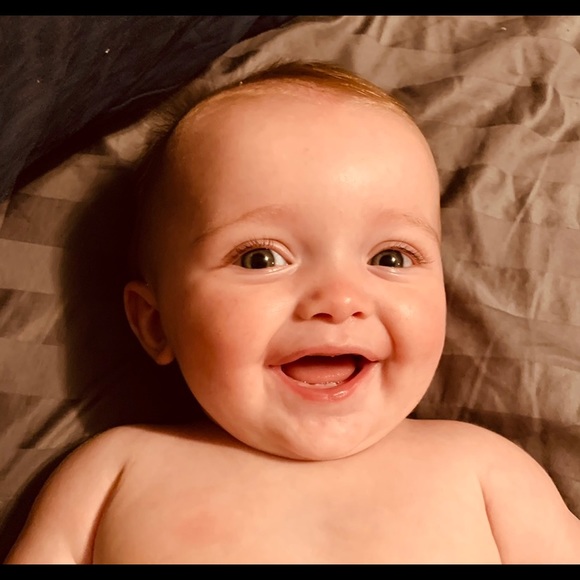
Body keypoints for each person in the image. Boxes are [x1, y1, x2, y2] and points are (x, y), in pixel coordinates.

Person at [5, 61, 580, 564]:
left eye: (391, 257)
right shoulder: (115, 471)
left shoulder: (484, 471)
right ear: (156, 323)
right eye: (260, 258)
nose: (339, 300)